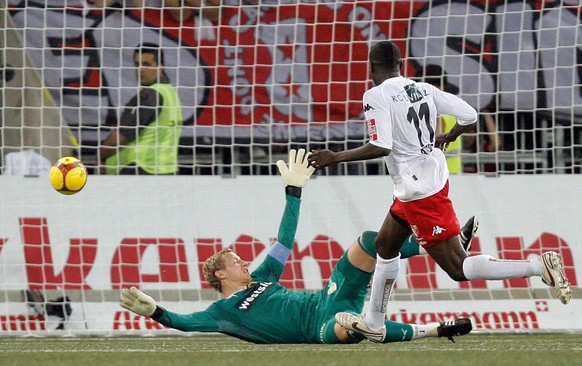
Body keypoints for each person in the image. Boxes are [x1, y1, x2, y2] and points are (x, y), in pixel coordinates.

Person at [307, 40, 572, 342]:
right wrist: (449, 135)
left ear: (371, 66)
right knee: (385, 246)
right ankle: (375, 322)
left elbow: (382, 145)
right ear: (400, 65)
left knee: (458, 269)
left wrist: (335, 157)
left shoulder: (375, 95)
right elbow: (470, 115)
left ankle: (538, 266)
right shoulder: (423, 89)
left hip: (420, 191)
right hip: (424, 179)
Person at [120, 149, 473, 344]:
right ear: (219, 274)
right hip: (318, 328)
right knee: (351, 325)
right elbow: (185, 323)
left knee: (369, 242)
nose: (244, 262)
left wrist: (294, 191)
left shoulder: (262, 276)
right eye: (235, 260)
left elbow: (285, 240)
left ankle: (438, 247)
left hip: (328, 296)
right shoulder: (222, 313)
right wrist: (155, 312)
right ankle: (434, 330)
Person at [100, 43, 183, 175]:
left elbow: (118, 140)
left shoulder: (148, 95)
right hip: (166, 169)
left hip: (140, 169)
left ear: (160, 67)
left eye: (146, 64)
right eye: (137, 64)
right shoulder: (171, 94)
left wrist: (100, 156)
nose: (140, 70)